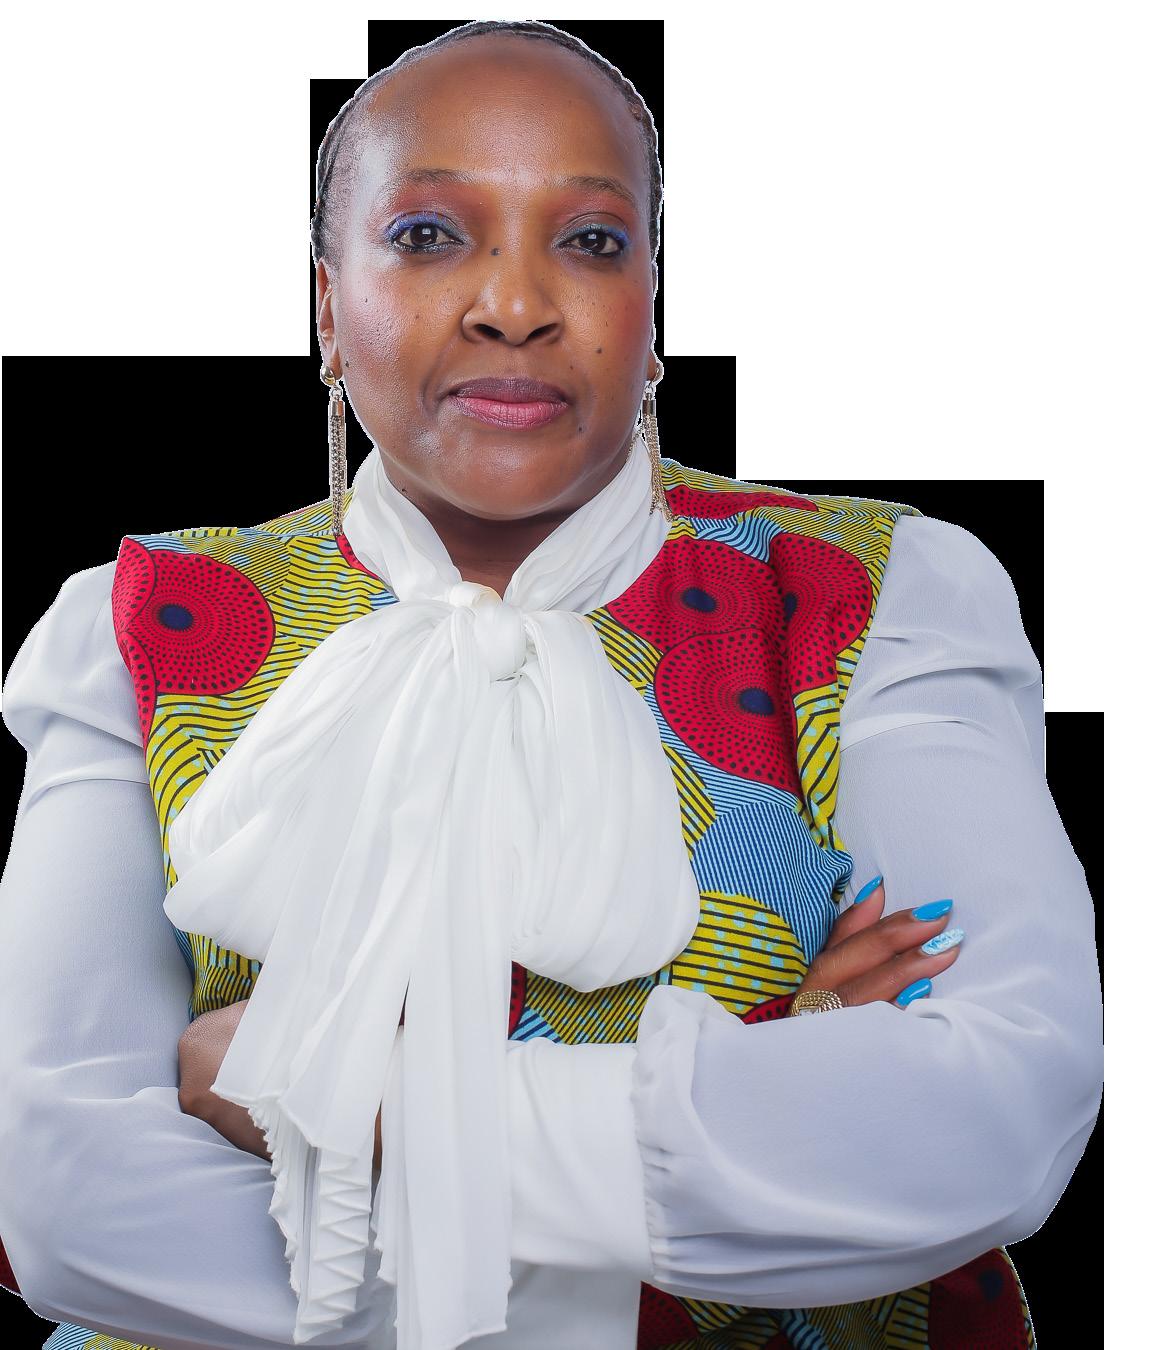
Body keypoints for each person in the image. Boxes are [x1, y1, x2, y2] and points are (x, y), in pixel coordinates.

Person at [0, 19, 1102, 1350]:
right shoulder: (132, 629)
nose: (514, 304)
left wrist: (359, 1108)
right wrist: (759, 1120)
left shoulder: (878, 595)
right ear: (326, 309)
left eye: (589, 241)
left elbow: (998, 1104)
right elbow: (65, 1197)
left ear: (651, 308)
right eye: (427, 235)